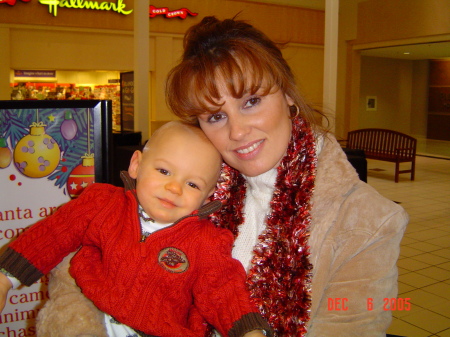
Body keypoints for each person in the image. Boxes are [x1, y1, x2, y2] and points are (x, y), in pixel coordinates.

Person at [164, 16, 408, 336]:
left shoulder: (369, 221)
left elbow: (352, 325)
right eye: (216, 116)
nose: (237, 131)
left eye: (251, 101)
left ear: (287, 95)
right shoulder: (190, 192)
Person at [0, 121, 272, 337]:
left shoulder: (206, 241)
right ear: (136, 164)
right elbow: (52, 235)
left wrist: (249, 331)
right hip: (90, 314)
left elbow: (223, 289)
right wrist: (5, 280)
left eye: (193, 185)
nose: (174, 188)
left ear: (208, 196)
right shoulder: (101, 203)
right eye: (164, 171)